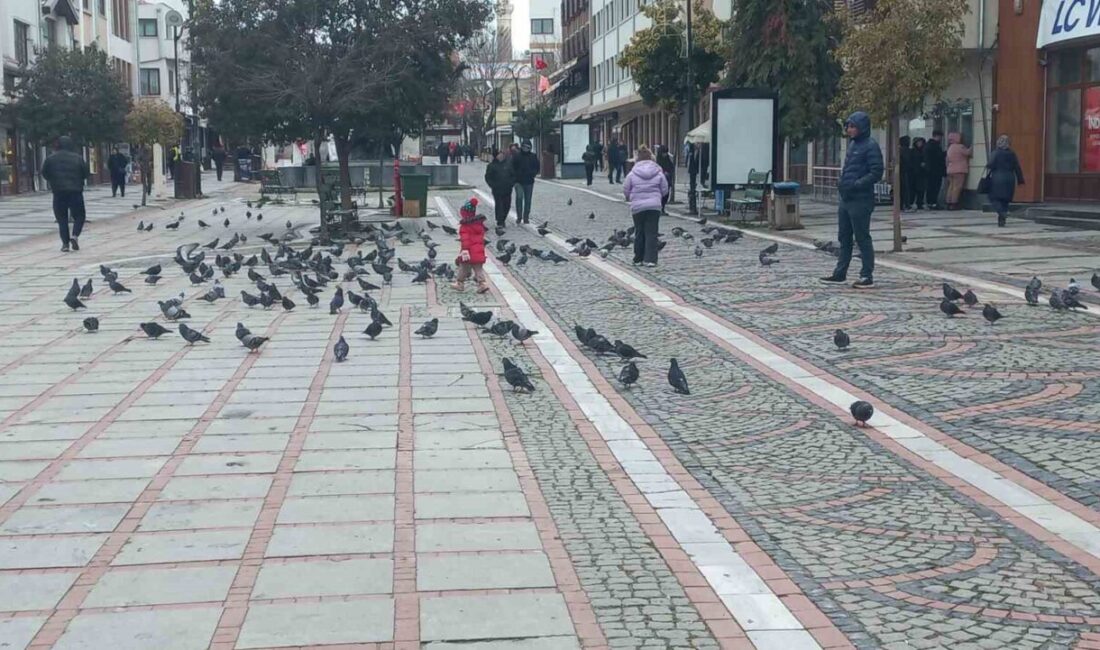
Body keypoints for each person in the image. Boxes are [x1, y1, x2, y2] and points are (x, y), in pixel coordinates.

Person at [821, 112, 883, 289]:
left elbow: (877, 171)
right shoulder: (853, 144)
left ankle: (866, 275)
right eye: (848, 126)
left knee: (862, 237)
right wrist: (842, 182)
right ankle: (840, 273)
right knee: (844, 236)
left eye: (852, 126)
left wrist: (857, 184)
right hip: (846, 197)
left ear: (862, 127)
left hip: (861, 199)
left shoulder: (871, 146)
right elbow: (849, 168)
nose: (849, 129)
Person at [41, 136, 90, 253]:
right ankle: (75, 235)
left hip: (58, 192)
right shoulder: (78, 158)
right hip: (75, 191)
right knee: (79, 216)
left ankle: (65, 244)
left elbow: (45, 173)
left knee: (62, 219)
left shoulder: (51, 159)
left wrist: (53, 180)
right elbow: (86, 173)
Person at [623, 145, 669, 268]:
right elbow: (665, 189)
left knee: (639, 232)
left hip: (637, 207)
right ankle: (650, 260)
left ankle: (638, 258)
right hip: (654, 206)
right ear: (651, 158)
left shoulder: (632, 173)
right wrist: (657, 196)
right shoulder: (658, 172)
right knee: (652, 233)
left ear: (637, 159)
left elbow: (626, 189)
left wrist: (629, 198)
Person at [451, 197, 490, 294]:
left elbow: (465, 240)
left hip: (468, 252)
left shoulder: (465, 226)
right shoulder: (479, 225)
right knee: (478, 269)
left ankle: (459, 283)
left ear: (464, 214)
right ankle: (482, 284)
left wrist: (464, 250)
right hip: (479, 251)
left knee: (463, 267)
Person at [985, 135, 1025, 227]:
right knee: (1005, 200)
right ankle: (1001, 220)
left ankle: (1002, 213)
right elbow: (1017, 167)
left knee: (993, 197)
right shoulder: (1012, 153)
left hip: (997, 178)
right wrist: (1020, 179)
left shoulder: (996, 153)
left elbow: (990, 165)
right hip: (1010, 178)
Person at [485, 149, 515, 227]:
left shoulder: (508, 164)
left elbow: (513, 175)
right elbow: (488, 177)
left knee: (507, 205)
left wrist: (511, 183)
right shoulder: (492, 166)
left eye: (502, 154)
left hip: (507, 189)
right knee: (499, 205)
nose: (501, 156)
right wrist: (493, 185)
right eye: (500, 154)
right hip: (497, 189)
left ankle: (503, 219)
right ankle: (500, 221)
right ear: (497, 156)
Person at [511, 140, 539, 224]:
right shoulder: (517, 156)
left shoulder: (533, 156)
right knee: (519, 198)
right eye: (524, 147)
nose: (525, 148)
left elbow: (537, 167)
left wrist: (533, 173)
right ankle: (519, 216)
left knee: (528, 200)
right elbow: (512, 167)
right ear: (522, 147)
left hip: (529, 181)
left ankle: (526, 217)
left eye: (527, 147)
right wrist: (515, 177)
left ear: (530, 148)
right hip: (518, 181)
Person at [945, 132, 972, 210]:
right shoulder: (960, 147)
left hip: (950, 170)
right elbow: (968, 153)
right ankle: (954, 203)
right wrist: (972, 146)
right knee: (957, 187)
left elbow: (947, 160)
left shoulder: (950, 148)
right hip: (959, 170)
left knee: (951, 186)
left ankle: (948, 202)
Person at [924, 130, 947, 209]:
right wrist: (946, 153)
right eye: (940, 137)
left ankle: (930, 202)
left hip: (930, 170)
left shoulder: (928, 145)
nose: (941, 138)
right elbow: (938, 157)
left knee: (931, 187)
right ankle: (933, 203)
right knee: (935, 187)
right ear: (937, 136)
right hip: (935, 170)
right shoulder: (934, 145)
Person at [909, 137, 927, 209]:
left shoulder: (923, 151)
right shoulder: (913, 151)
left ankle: (920, 203)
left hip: (922, 173)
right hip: (914, 173)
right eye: (918, 142)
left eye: (921, 142)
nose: (920, 144)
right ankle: (911, 202)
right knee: (913, 189)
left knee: (921, 190)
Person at [655, 145, 675, 212]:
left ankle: (663, 208)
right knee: (660, 195)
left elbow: (671, 167)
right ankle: (660, 208)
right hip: (660, 181)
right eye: (664, 153)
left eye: (666, 153)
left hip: (667, 181)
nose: (665, 154)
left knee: (666, 195)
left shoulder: (667, 159)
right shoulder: (658, 160)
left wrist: (669, 173)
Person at [898, 136, 911, 211]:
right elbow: (907, 161)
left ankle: (902, 205)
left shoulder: (900, 150)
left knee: (902, 189)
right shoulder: (905, 150)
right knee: (905, 189)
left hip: (902, 171)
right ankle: (906, 205)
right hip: (904, 171)